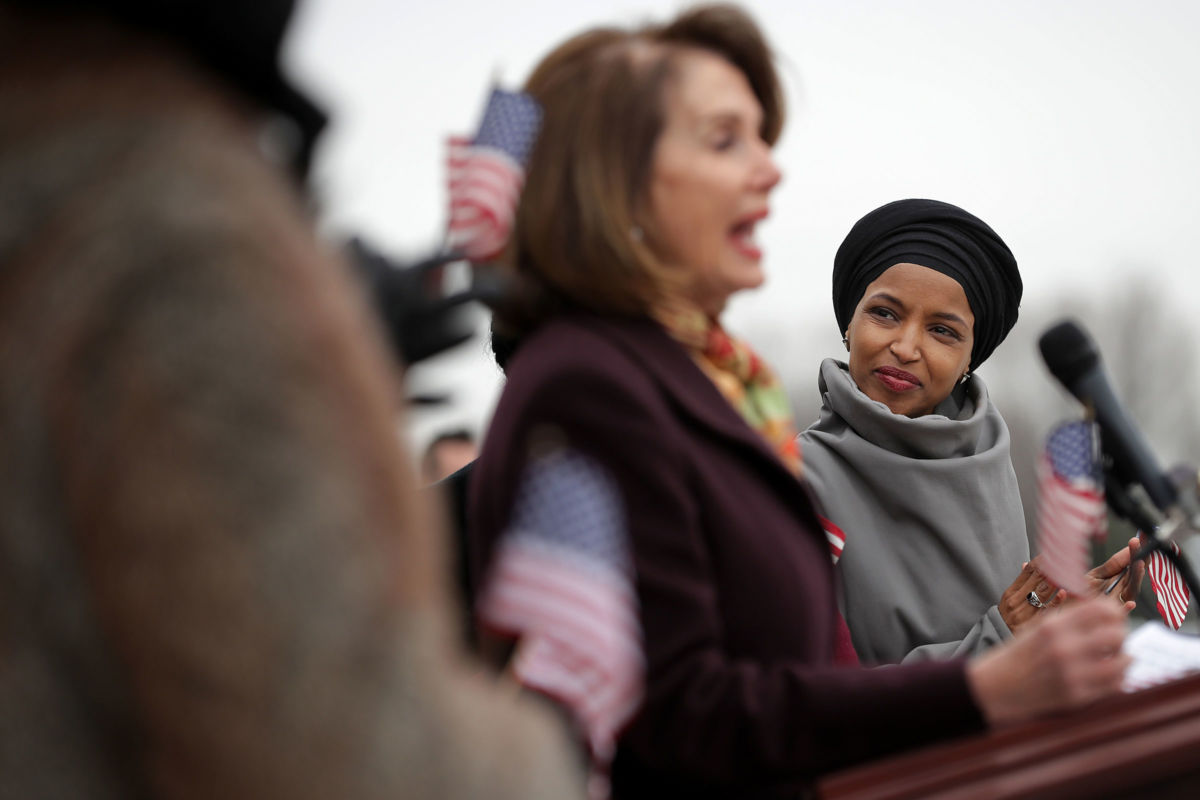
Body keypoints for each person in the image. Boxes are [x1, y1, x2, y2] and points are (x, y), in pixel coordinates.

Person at [466, 5, 1131, 797]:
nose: (770, 169)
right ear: (619, 180)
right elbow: (677, 714)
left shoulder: (710, 385)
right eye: (725, 140)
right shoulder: (590, 381)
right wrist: (985, 682)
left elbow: (815, 669)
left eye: (762, 138)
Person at [0, 2, 583, 797]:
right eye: (722, 135)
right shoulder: (165, 231)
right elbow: (358, 762)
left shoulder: (79, 178)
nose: (764, 169)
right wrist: (567, 734)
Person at [799, 198, 1143, 665]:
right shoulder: (793, 479)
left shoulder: (986, 458)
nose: (905, 346)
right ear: (849, 323)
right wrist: (1003, 638)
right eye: (884, 314)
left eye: (942, 331)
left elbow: (1016, 630)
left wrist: (1059, 623)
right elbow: (811, 699)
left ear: (969, 360)